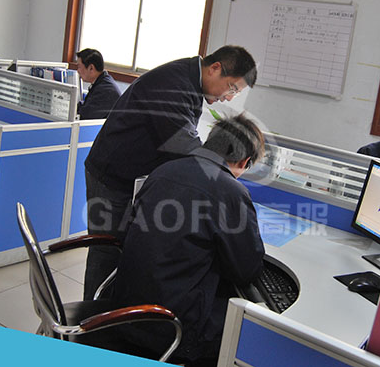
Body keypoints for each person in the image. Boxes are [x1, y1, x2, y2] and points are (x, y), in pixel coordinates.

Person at [83, 45, 257, 299]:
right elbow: (185, 145)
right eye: (232, 88)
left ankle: (115, 310)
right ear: (215, 68)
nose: (229, 98)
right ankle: (94, 316)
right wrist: (225, 181)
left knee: (127, 251)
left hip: (131, 176)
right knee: (106, 252)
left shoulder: (190, 81)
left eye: (236, 93)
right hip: (111, 177)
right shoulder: (172, 84)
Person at [111, 114, 266, 365]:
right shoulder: (230, 191)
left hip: (126, 311)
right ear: (244, 161)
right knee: (249, 324)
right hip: (172, 325)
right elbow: (246, 270)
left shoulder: (162, 171)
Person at [75, 48, 121, 120]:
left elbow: (85, 116)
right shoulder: (101, 82)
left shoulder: (106, 91)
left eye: (79, 67)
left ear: (91, 68)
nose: (78, 71)